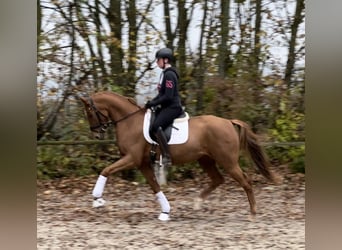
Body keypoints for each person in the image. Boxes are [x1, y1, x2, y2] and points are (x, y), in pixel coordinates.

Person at [145, 48, 183, 167]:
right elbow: (161, 95)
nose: (157, 62)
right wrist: (152, 102)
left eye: (159, 60)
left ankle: (167, 156)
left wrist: (154, 103)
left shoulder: (170, 74)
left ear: (166, 60)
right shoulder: (164, 74)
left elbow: (168, 96)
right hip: (167, 106)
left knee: (156, 126)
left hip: (173, 107)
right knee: (151, 123)